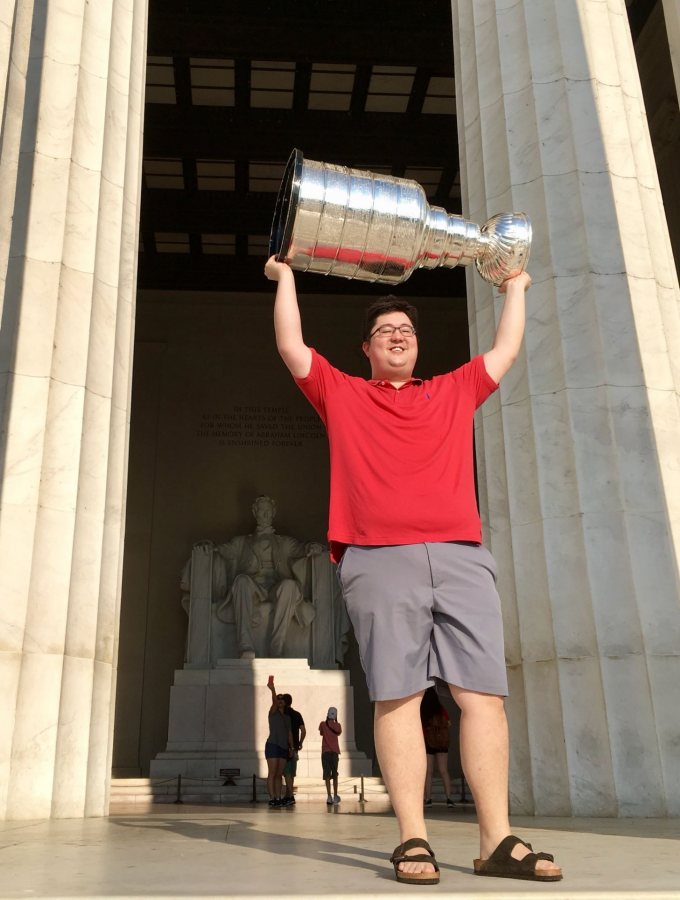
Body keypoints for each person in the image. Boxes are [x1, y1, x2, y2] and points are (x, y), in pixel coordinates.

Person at [264, 255, 563, 886]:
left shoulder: (451, 389)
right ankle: (412, 840)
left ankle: (496, 840)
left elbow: (506, 349)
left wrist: (515, 288)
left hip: (460, 554)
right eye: (386, 331)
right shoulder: (340, 392)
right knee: (398, 693)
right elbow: (292, 345)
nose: (398, 335)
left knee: (483, 697)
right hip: (378, 558)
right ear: (366, 348)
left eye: (407, 329)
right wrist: (285, 276)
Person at [214, 495, 323, 658]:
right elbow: (222, 550)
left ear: (273, 513)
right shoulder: (242, 542)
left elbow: (301, 549)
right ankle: (245, 645)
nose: (265, 515)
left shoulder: (284, 542)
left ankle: (276, 646)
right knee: (241, 580)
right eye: (261, 510)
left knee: (290, 585)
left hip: (276, 588)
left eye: (268, 511)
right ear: (254, 512)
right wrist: (207, 547)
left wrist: (312, 547)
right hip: (252, 587)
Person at [420, 686, 454, 807]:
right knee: (444, 771)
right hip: (441, 743)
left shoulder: (422, 710)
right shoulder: (441, 709)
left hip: (428, 742)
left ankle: (428, 799)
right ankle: (449, 799)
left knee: (429, 772)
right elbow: (448, 723)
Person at [265, 677, 293, 808]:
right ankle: (272, 797)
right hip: (272, 745)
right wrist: (273, 689)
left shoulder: (287, 718)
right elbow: (274, 703)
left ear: (285, 703)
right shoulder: (273, 713)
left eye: (282, 700)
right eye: (278, 699)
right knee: (272, 772)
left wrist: (291, 747)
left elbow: (289, 734)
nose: (280, 701)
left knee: (279, 774)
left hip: (283, 747)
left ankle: (278, 796)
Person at [282, 693, 306, 806]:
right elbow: (303, 730)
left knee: (287, 773)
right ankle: (288, 796)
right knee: (291, 774)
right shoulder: (297, 714)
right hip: (295, 747)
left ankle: (290, 796)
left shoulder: (283, 715)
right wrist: (300, 743)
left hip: (286, 747)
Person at [319, 706, 342, 805]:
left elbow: (321, 733)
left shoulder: (322, 724)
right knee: (335, 774)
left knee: (327, 775)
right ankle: (335, 795)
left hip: (325, 752)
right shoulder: (338, 726)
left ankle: (329, 796)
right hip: (334, 752)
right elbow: (339, 733)